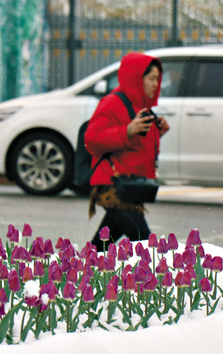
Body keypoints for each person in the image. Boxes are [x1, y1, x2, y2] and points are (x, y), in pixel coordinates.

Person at [85, 52, 170, 252]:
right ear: (136, 78)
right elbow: (92, 140)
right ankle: (156, 281)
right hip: (114, 187)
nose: (156, 84)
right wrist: (128, 130)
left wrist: (158, 132)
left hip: (129, 188)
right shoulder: (112, 103)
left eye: (158, 79)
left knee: (99, 248)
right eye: (151, 78)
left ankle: (72, 273)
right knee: (146, 247)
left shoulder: (141, 106)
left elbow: (136, 147)